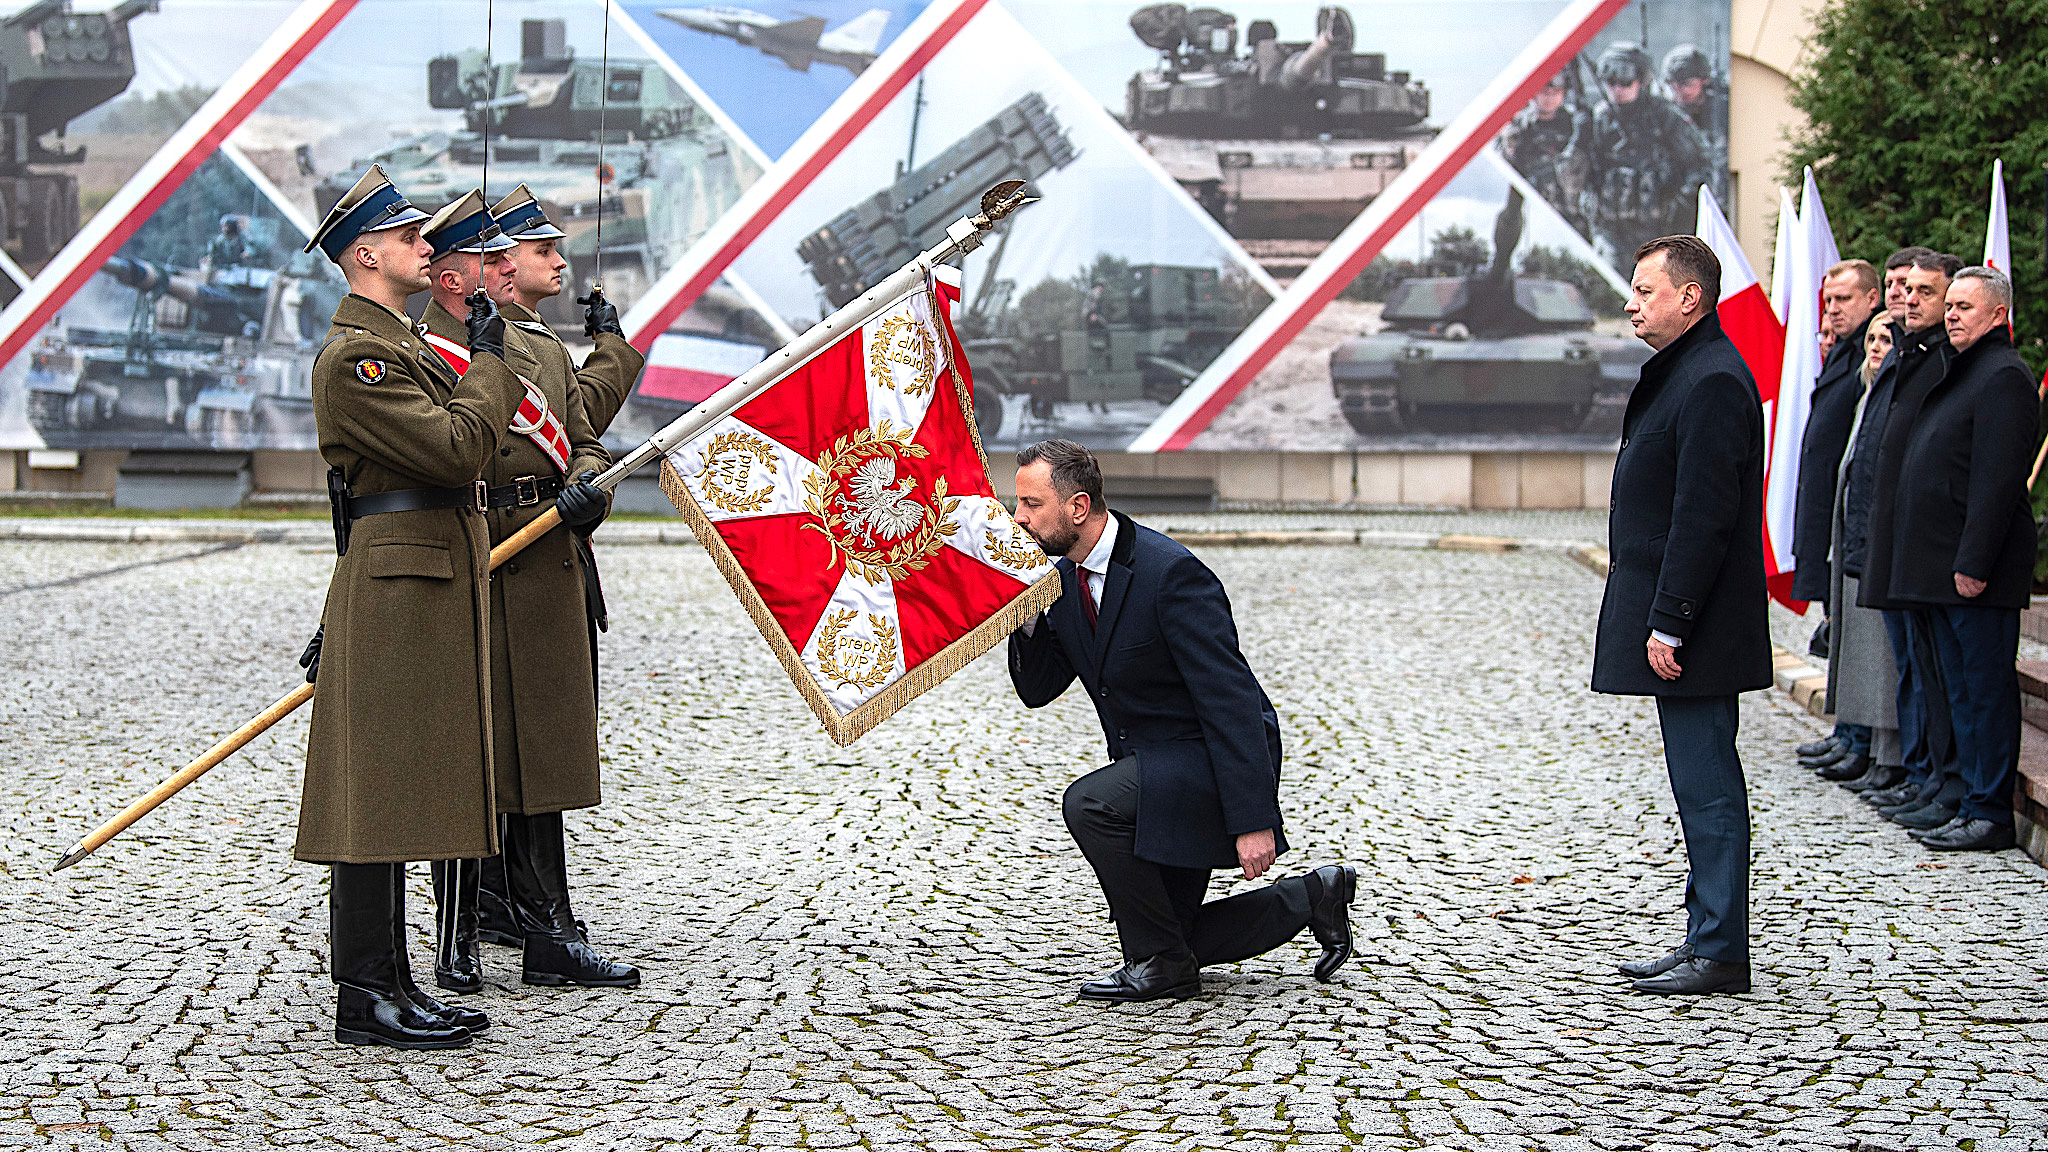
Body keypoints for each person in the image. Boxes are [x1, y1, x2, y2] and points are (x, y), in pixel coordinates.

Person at [294, 165, 521, 1049]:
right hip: (398, 577)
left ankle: (393, 979)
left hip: (423, 570)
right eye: (408, 239)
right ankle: (366, 993)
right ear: (364, 255)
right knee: (378, 785)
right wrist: (494, 361)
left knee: (403, 778)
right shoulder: (360, 357)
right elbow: (458, 445)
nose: (427, 249)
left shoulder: (404, 346)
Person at [1005, 439, 1355, 1003]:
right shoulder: (1060, 579)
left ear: (1076, 507)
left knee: (1089, 803)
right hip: (1151, 769)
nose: (1017, 518)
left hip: (1202, 764)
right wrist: (1019, 614)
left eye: (1030, 504)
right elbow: (1038, 688)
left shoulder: (1172, 576)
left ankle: (1163, 966)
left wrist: (1253, 818)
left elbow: (1232, 701)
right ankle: (1314, 896)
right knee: (1175, 932)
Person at [415, 191, 642, 992]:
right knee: (470, 754)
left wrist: (587, 494)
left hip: (543, 565)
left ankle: (548, 927)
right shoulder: (425, 354)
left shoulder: (534, 347)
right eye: (492, 259)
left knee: (542, 753)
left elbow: (581, 441)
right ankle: (486, 919)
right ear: (451, 279)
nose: (510, 267)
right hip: (472, 565)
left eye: (512, 256)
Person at [1594, 235, 1770, 996]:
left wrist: (1670, 621)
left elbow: (1704, 515)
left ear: (1689, 297)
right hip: (1682, 619)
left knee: (1708, 787)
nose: (1632, 303)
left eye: (1645, 290)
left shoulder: (1711, 381)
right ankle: (1706, 935)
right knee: (1695, 785)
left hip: (1697, 629)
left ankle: (1722, 951)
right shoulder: (1686, 372)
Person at [1875, 267, 2035, 852]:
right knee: (1957, 691)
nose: (1952, 314)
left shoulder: (2003, 376)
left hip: (1975, 573)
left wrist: (1974, 562)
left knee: (1984, 690)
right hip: (1940, 569)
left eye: (1966, 306)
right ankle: (1965, 795)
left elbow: (1996, 482)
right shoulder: (1961, 369)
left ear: (1998, 315)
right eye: (1953, 306)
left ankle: (1989, 809)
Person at [1859, 250, 1966, 832]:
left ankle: (1948, 783)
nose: (1911, 299)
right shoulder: (1910, 355)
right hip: (1900, 543)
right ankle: (1930, 777)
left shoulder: (1946, 363)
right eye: (1906, 288)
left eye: (1927, 291)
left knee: (1946, 680)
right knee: (1921, 670)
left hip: (1933, 549)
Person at [1791, 260, 1881, 778]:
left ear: (1871, 300)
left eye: (1843, 300)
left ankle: (1859, 734)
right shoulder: (1842, 355)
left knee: (1857, 635)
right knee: (1839, 628)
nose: (1832, 309)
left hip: (1848, 518)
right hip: (1829, 514)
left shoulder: (1869, 358)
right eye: (1828, 301)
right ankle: (1846, 727)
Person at [1823, 314, 1910, 797]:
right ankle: (1865, 746)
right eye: (1871, 339)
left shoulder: (1892, 391)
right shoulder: (1868, 392)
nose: (1875, 347)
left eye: (1885, 339)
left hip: (1881, 543)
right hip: (1856, 537)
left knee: (1886, 660)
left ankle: (1889, 757)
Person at [1568, 44, 1715, 268]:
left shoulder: (1665, 117)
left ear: (1641, 81)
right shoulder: (1596, 119)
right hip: (1609, 230)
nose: (1617, 89)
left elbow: (1701, 164)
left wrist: (1679, 209)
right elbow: (1571, 182)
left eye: (1625, 82)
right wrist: (1578, 142)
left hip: (1656, 231)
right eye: (1610, 82)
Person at [1498, 71, 1587, 235]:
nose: (1550, 98)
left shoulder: (1575, 124)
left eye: (1556, 92)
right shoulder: (1520, 125)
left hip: (1568, 202)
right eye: (1545, 92)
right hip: (1532, 198)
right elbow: (1504, 160)